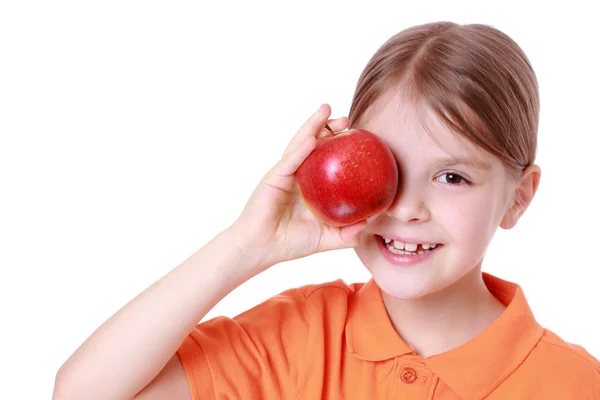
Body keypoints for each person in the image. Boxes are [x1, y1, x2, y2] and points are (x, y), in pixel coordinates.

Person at [53, 21, 600, 399]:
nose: (406, 207)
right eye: (386, 164)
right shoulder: (301, 336)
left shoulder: (576, 384)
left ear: (519, 197)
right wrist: (246, 246)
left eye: (452, 177)